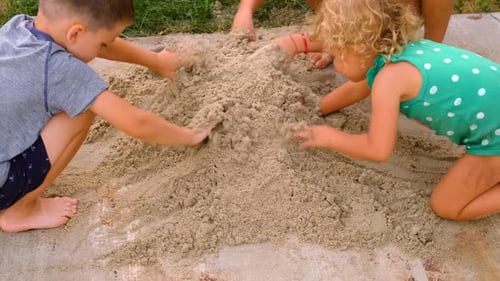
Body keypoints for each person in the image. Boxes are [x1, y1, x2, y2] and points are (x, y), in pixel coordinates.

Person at [0, 0, 212, 233]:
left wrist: (156, 61)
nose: (105, 46)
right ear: (76, 33)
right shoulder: (60, 69)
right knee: (81, 112)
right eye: (102, 42)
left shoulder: (17, 27)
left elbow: (101, 43)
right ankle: (21, 211)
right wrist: (190, 136)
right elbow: (136, 122)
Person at [279, 0, 500, 221]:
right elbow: (356, 90)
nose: (334, 63)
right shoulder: (398, 49)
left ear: (357, 48)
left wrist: (329, 137)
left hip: (495, 139)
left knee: (446, 206)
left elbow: (378, 149)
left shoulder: (389, 79)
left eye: (336, 56)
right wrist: (315, 109)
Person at [232, 0, 454, 68]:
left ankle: (429, 53)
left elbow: (377, 147)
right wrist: (246, 9)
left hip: (393, 12)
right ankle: (338, 38)